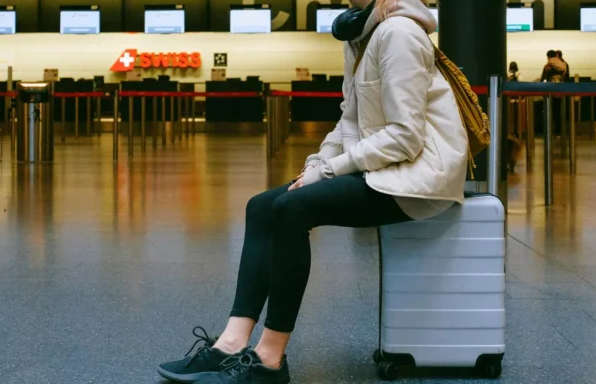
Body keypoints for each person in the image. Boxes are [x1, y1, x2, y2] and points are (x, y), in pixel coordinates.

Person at [156, 0, 469, 383]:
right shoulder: (360, 36)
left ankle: (270, 359)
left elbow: (406, 137)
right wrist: (315, 165)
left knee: (291, 209)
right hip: (383, 169)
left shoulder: (398, 34)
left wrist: (331, 170)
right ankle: (231, 344)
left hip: (417, 179)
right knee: (261, 207)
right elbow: (348, 120)